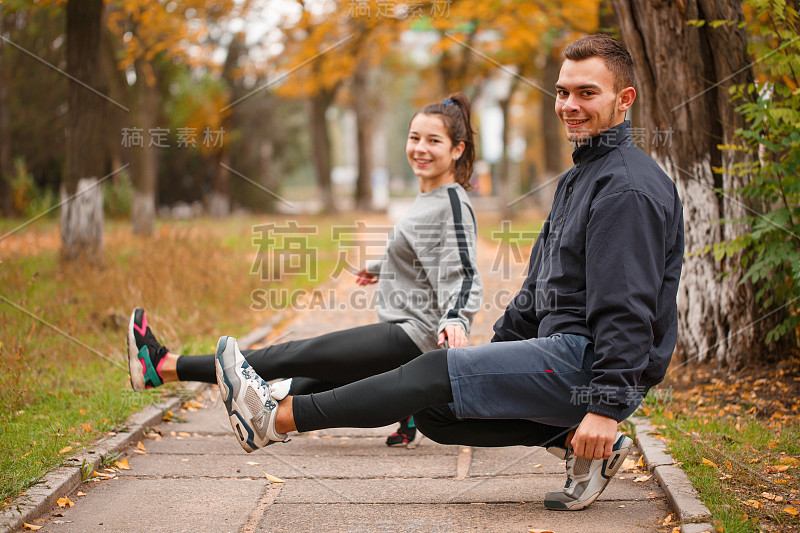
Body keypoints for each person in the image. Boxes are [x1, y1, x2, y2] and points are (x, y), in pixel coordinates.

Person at [215, 33, 685, 512]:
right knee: (435, 411)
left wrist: (606, 407)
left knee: (431, 372)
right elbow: (539, 288)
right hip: (563, 352)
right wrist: (501, 354)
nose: (569, 104)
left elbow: (628, 308)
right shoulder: (580, 177)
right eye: (563, 92)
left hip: (587, 364)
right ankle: (574, 444)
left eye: (588, 93)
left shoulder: (626, 188)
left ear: (624, 100)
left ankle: (276, 418)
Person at [127, 92, 484, 448]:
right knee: (307, 383)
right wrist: (383, 265)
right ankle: (409, 409)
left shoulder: (452, 201)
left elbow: (464, 271)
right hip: (404, 332)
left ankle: (163, 366)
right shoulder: (432, 198)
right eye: (414, 137)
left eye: (433, 140)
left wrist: (456, 317)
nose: (420, 148)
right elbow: (428, 249)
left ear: (457, 150)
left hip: (415, 336)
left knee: (292, 355)